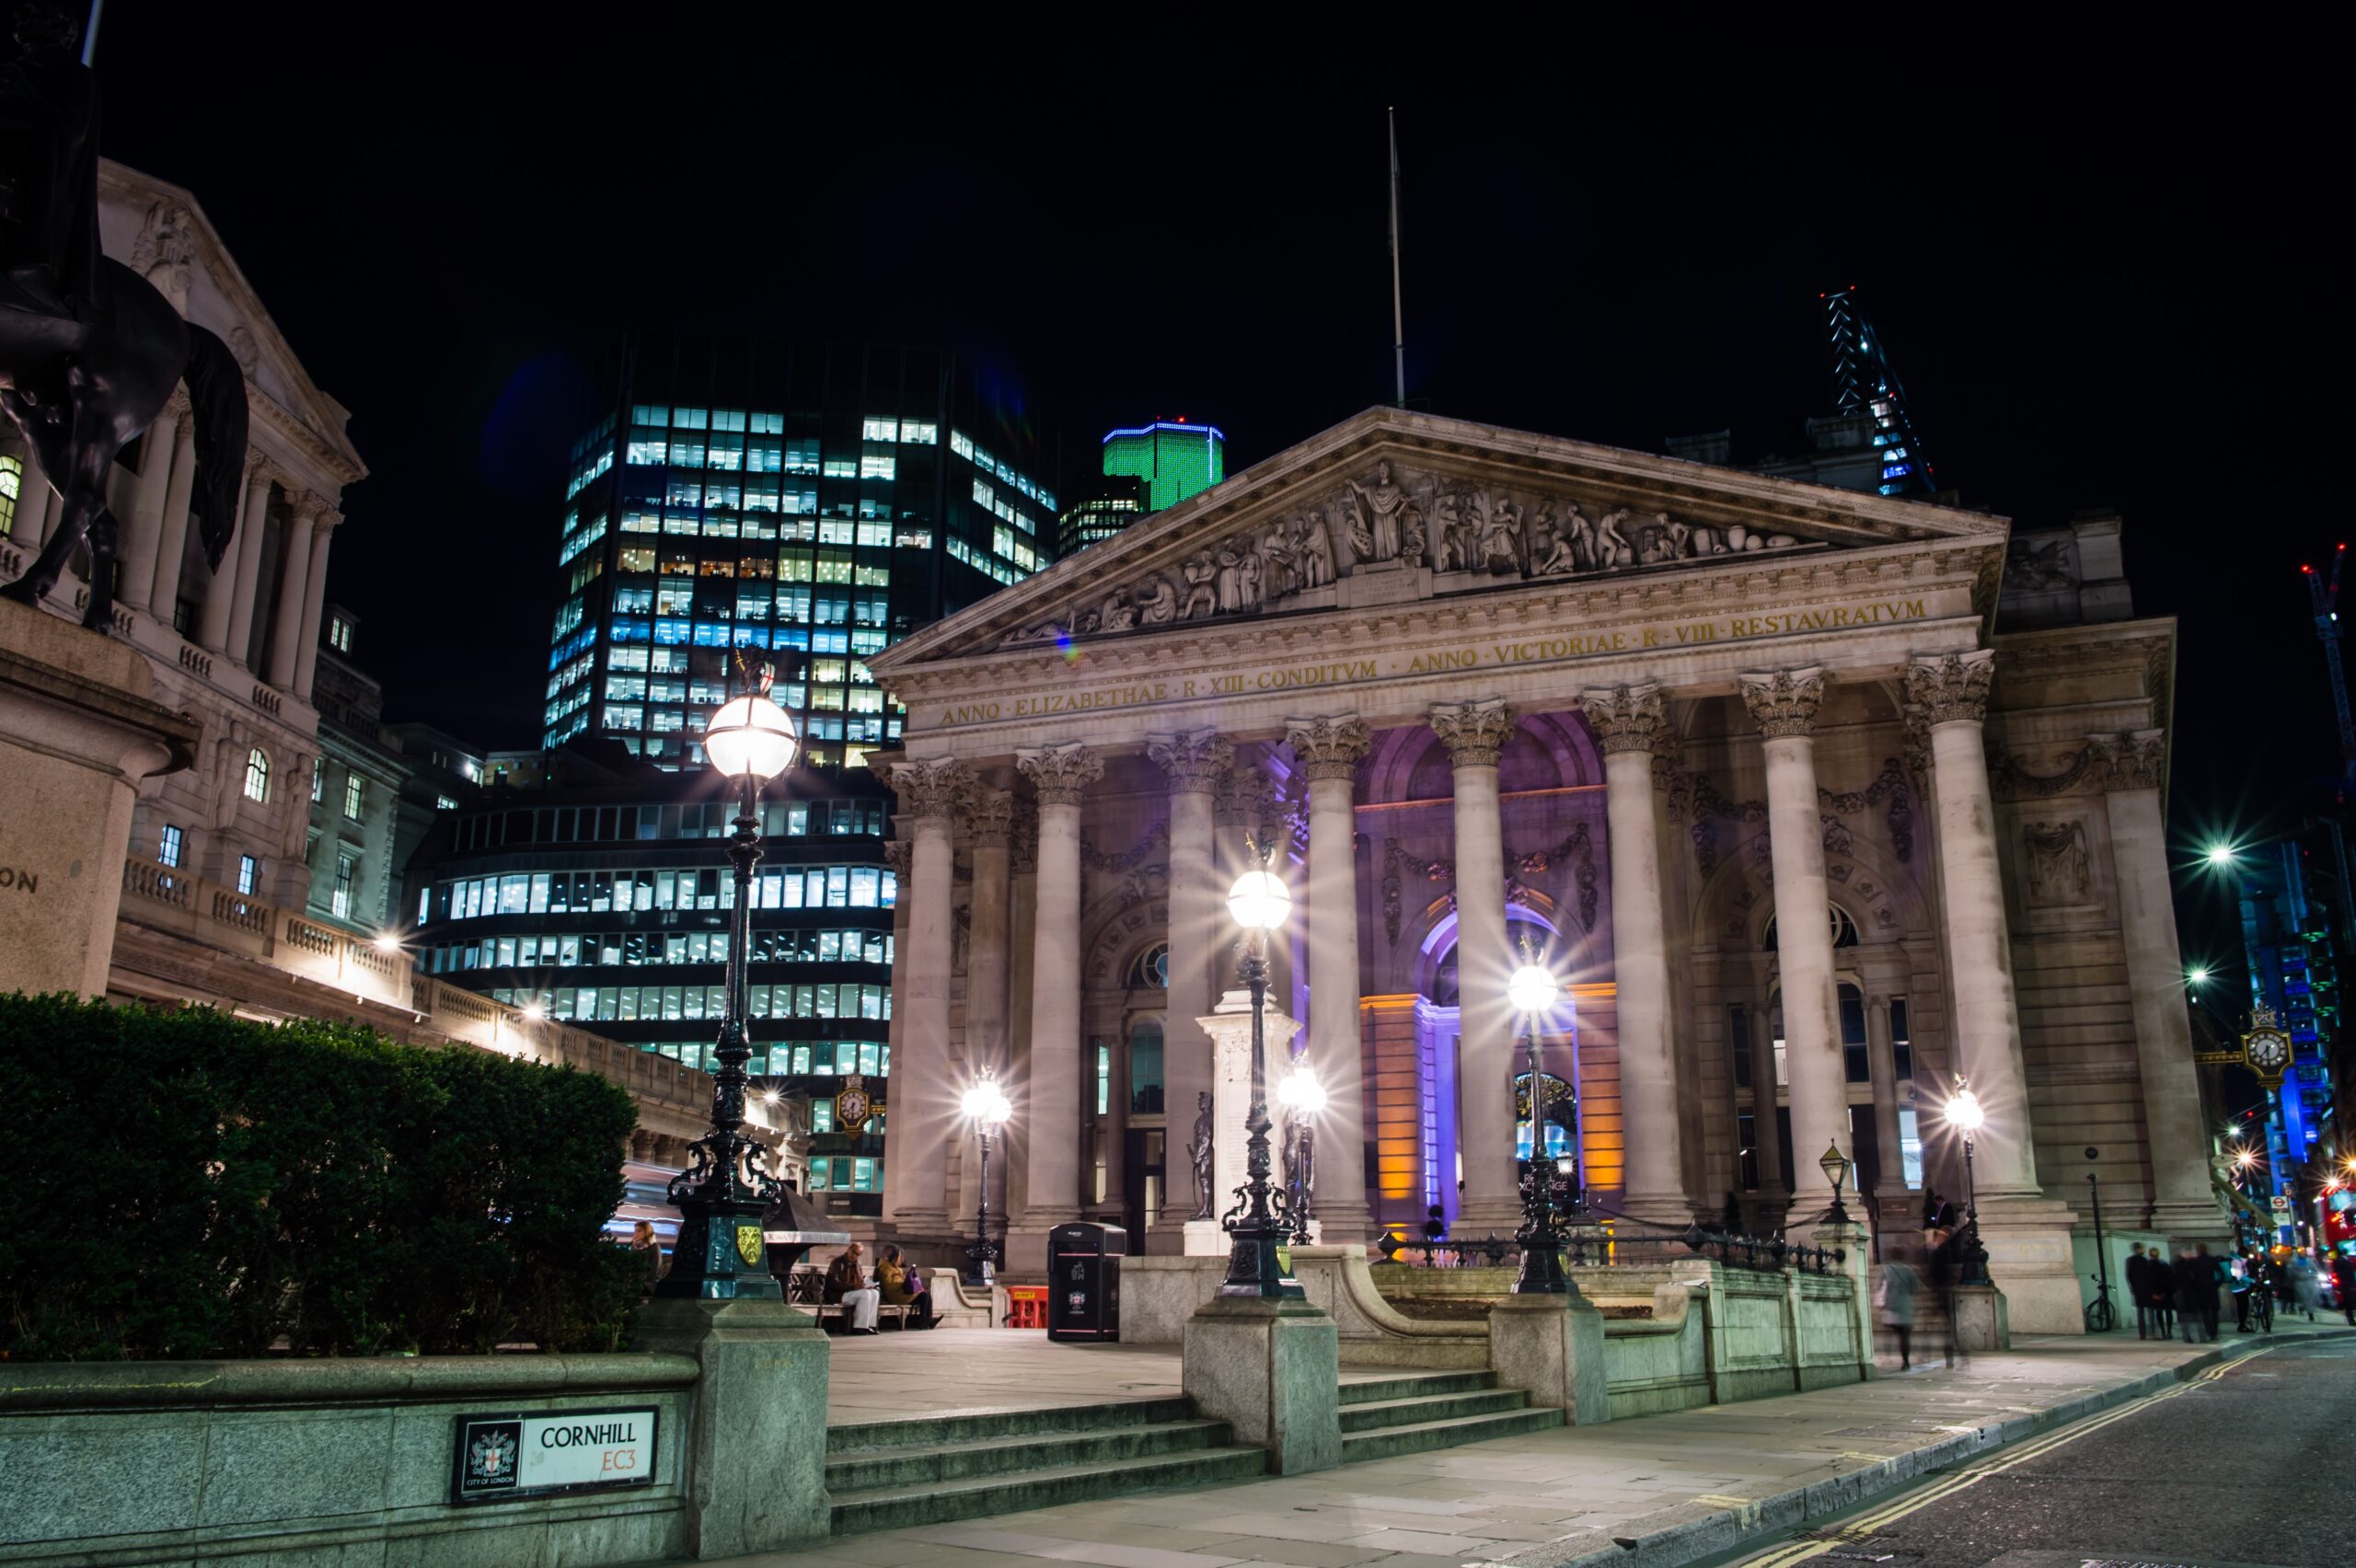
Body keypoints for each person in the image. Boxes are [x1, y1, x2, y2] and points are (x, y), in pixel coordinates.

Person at [824, 1242, 882, 1334]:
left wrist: (866, 1285)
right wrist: (853, 1286)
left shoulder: (857, 1264)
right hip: (837, 1295)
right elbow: (833, 1283)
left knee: (874, 1293)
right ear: (849, 1249)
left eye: (858, 1254)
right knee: (865, 1294)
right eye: (853, 1252)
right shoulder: (838, 1262)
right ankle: (859, 1327)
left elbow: (860, 1281)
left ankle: (869, 1325)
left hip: (852, 1293)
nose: (854, 1255)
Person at [876, 1243, 937, 1331]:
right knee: (924, 1296)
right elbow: (890, 1286)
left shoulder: (894, 1268)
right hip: (896, 1296)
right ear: (893, 1258)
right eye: (899, 1257)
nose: (901, 1260)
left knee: (926, 1294)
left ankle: (928, 1319)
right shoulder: (885, 1269)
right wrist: (904, 1284)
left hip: (902, 1294)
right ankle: (922, 1319)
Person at [1878, 1251, 1922, 1370]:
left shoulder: (1886, 1270)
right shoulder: (1909, 1270)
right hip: (1905, 1307)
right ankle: (1905, 1361)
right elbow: (1915, 1289)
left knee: (1890, 1332)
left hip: (1891, 1307)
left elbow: (1879, 1287)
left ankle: (1886, 1356)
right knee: (1904, 1336)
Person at [2169, 1246, 2210, 1343]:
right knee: (2197, 1318)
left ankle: (2187, 1337)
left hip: (2183, 1293)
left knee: (2185, 1319)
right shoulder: (2194, 1264)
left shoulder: (2177, 1264)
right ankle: (2202, 1338)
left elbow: (2173, 1279)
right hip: (2192, 1294)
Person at [629, 1220, 667, 1297]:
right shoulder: (634, 1246)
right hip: (636, 1281)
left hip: (649, 1283)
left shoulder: (654, 1247)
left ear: (646, 1232)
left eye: (639, 1231)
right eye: (635, 1231)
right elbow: (631, 1263)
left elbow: (655, 1271)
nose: (636, 1233)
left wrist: (639, 1279)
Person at [2287, 1251, 2321, 1321]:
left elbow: (2315, 1269)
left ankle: (2306, 1308)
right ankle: (2310, 1314)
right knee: (2305, 1297)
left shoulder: (2309, 1261)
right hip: (2300, 1282)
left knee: (2312, 1296)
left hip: (2310, 1281)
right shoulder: (2294, 1261)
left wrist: (2316, 1276)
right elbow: (2290, 1271)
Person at [2333, 1252, 2356, 1326]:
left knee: (2349, 1302)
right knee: (2349, 1302)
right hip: (2347, 1284)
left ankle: (2350, 1319)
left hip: (2345, 1284)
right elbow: (2348, 1274)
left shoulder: (2341, 1261)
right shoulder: (2343, 1262)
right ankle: (2350, 1319)